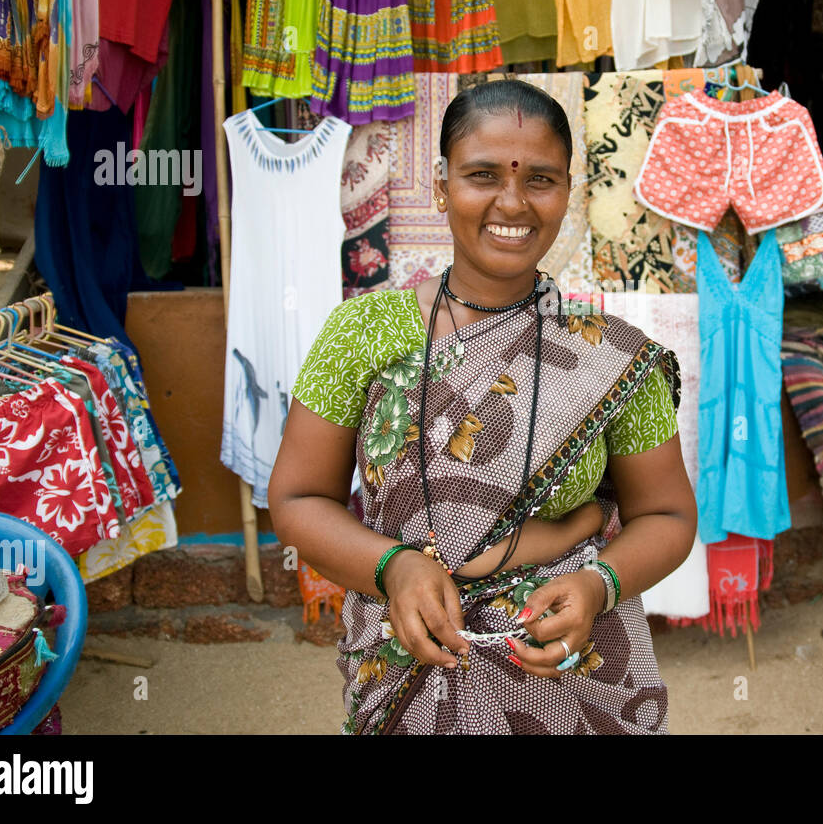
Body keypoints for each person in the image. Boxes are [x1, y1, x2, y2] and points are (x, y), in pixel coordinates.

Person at [269, 79, 697, 734]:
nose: (512, 202)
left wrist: (598, 586)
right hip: (403, 662)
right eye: (481, 175)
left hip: (569, 674)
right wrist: (395, 566)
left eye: (541, 180)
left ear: (568, 192)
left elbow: (667, 515)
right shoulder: (362, 333)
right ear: (441, 186)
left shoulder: (611, 355)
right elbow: (297, 499)